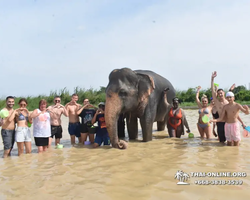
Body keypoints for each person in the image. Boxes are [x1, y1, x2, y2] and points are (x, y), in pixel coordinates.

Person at [211, 72, 246, 143]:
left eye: (221, 93)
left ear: (224, 93)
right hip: (220, 123)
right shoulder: (217, 103)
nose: (220, 94)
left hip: (229, 123)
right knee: (221, 142)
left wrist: (242, 123)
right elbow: (212, 90)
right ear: (217, 95)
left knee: (232, 141)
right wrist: (212, 79)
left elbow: (235, 114)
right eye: (219, 93)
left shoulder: (228, 102)